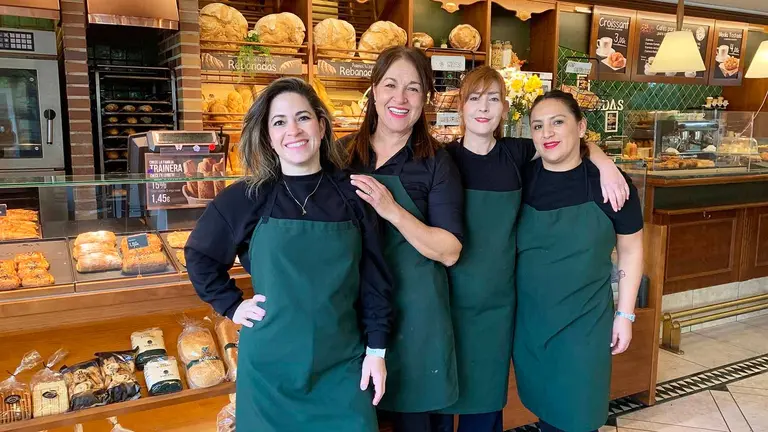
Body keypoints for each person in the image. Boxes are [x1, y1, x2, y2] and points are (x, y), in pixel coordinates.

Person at [185, 77, 393, 432]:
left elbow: (375, 280)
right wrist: (232, 305)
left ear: (322, 126)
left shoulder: (354, 194)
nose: (293, 130)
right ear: (267, 136)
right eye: (279, 122)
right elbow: (200, 255)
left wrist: (377, 351)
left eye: (303, 118)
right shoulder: (246, 198)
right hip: (270, 371)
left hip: (341, 365)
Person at [433, 66, 631, 432]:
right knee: (441, 396)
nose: (483, 108)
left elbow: (566, 140)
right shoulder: (440, 159)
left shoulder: (517, 154)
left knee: (485, 402)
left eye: (493, 99)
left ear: (505, 109)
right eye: (474, 99)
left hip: (499, 305)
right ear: (460, 107)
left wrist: (604, 163)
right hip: (444, 300)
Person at [342, 46, 464, 432]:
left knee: (415, 420)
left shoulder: (435, 161)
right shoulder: (342, 154)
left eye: (413, 89)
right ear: (374, 90)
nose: (400, 98)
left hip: (417, 314)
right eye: (391, 85)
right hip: (350, 310)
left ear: (425, 98)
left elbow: (449, 251)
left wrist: (392, 209)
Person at [514, 90, 644, 432]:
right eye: (538, 126)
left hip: (585, 324)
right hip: (530, 323)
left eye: (558, 122)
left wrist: (625, 315)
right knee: (545, 412)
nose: (548, 133)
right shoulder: (520, 178)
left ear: (581, 126)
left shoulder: (611, 185)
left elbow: (631, 250)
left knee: (578, 416)